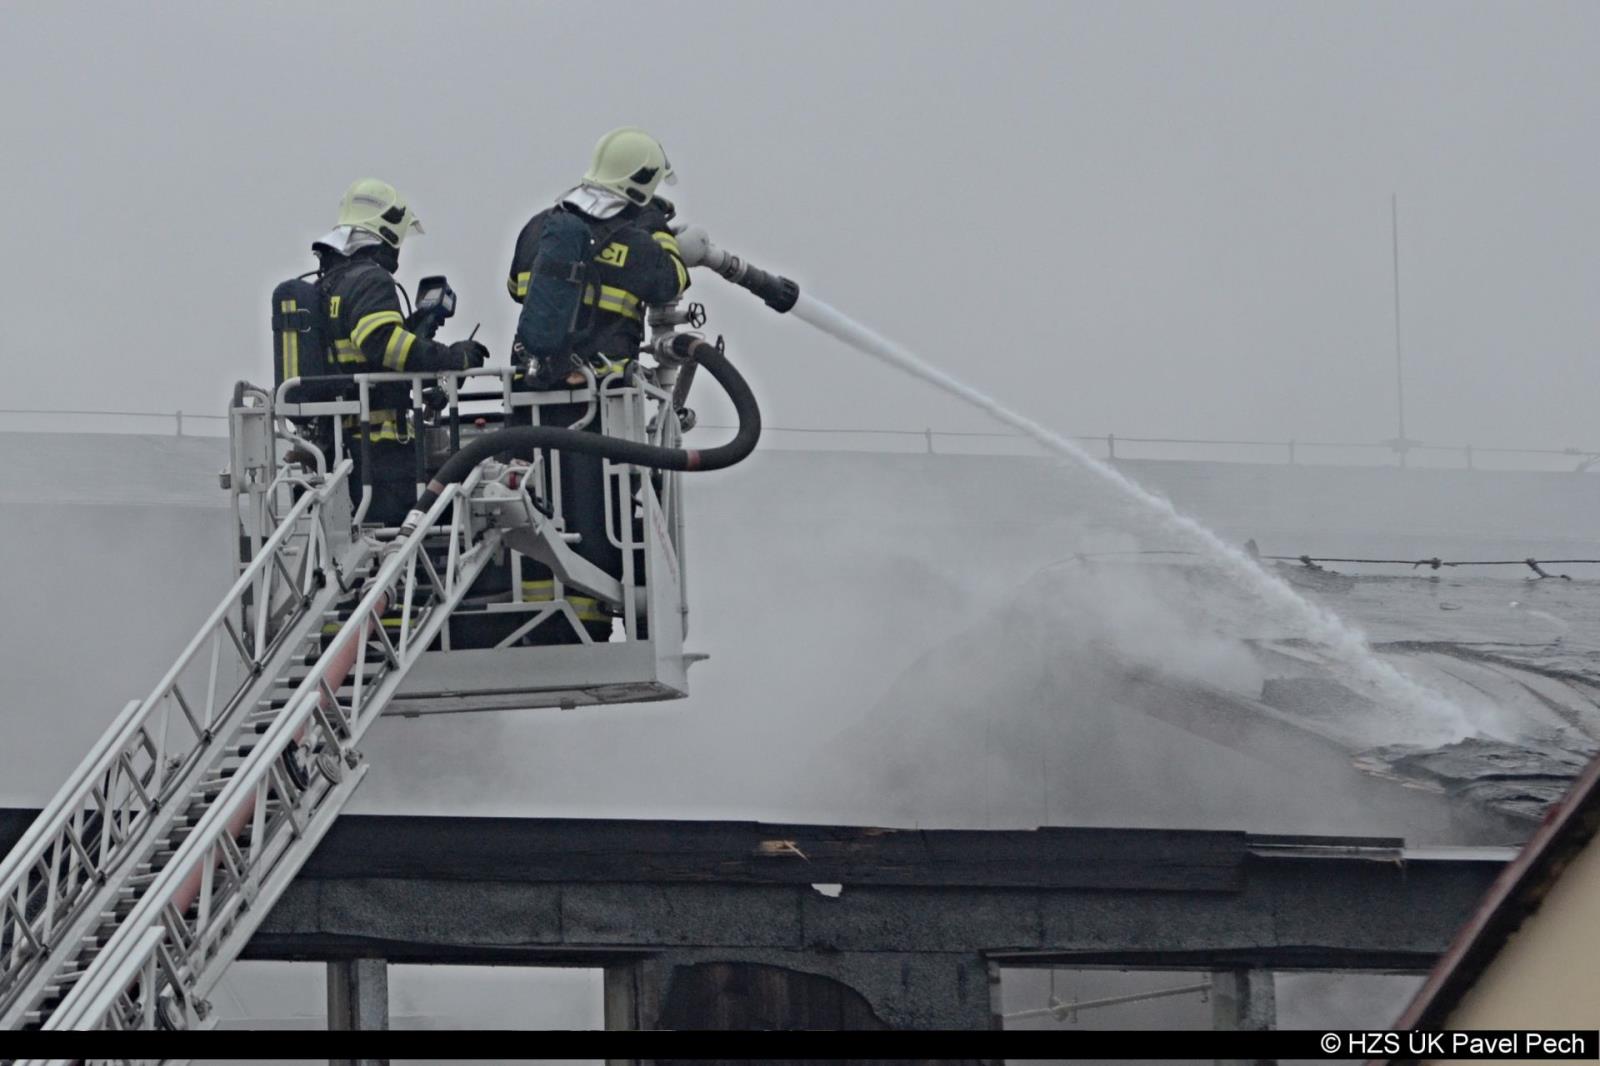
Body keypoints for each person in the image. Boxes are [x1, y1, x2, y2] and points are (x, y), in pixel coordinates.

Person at [499, 128, 690, 642]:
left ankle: (545, 619)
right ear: (644, 184)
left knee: (539, 506)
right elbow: (671, 280)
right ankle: (590, 614)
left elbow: (518, 287)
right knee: (599, 507)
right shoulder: (638, 243)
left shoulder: (542, 226)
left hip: (533, 399)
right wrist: (662, 232)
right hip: (600, 405)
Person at [312, 178, 489, 525]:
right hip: (380, 454)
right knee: (406, 539)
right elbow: (383, 345)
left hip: (337, 448)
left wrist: (410, 327)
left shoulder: (327, 284)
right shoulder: (371, 279)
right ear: (387, 233)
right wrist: (453, 358)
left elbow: (358, 348)